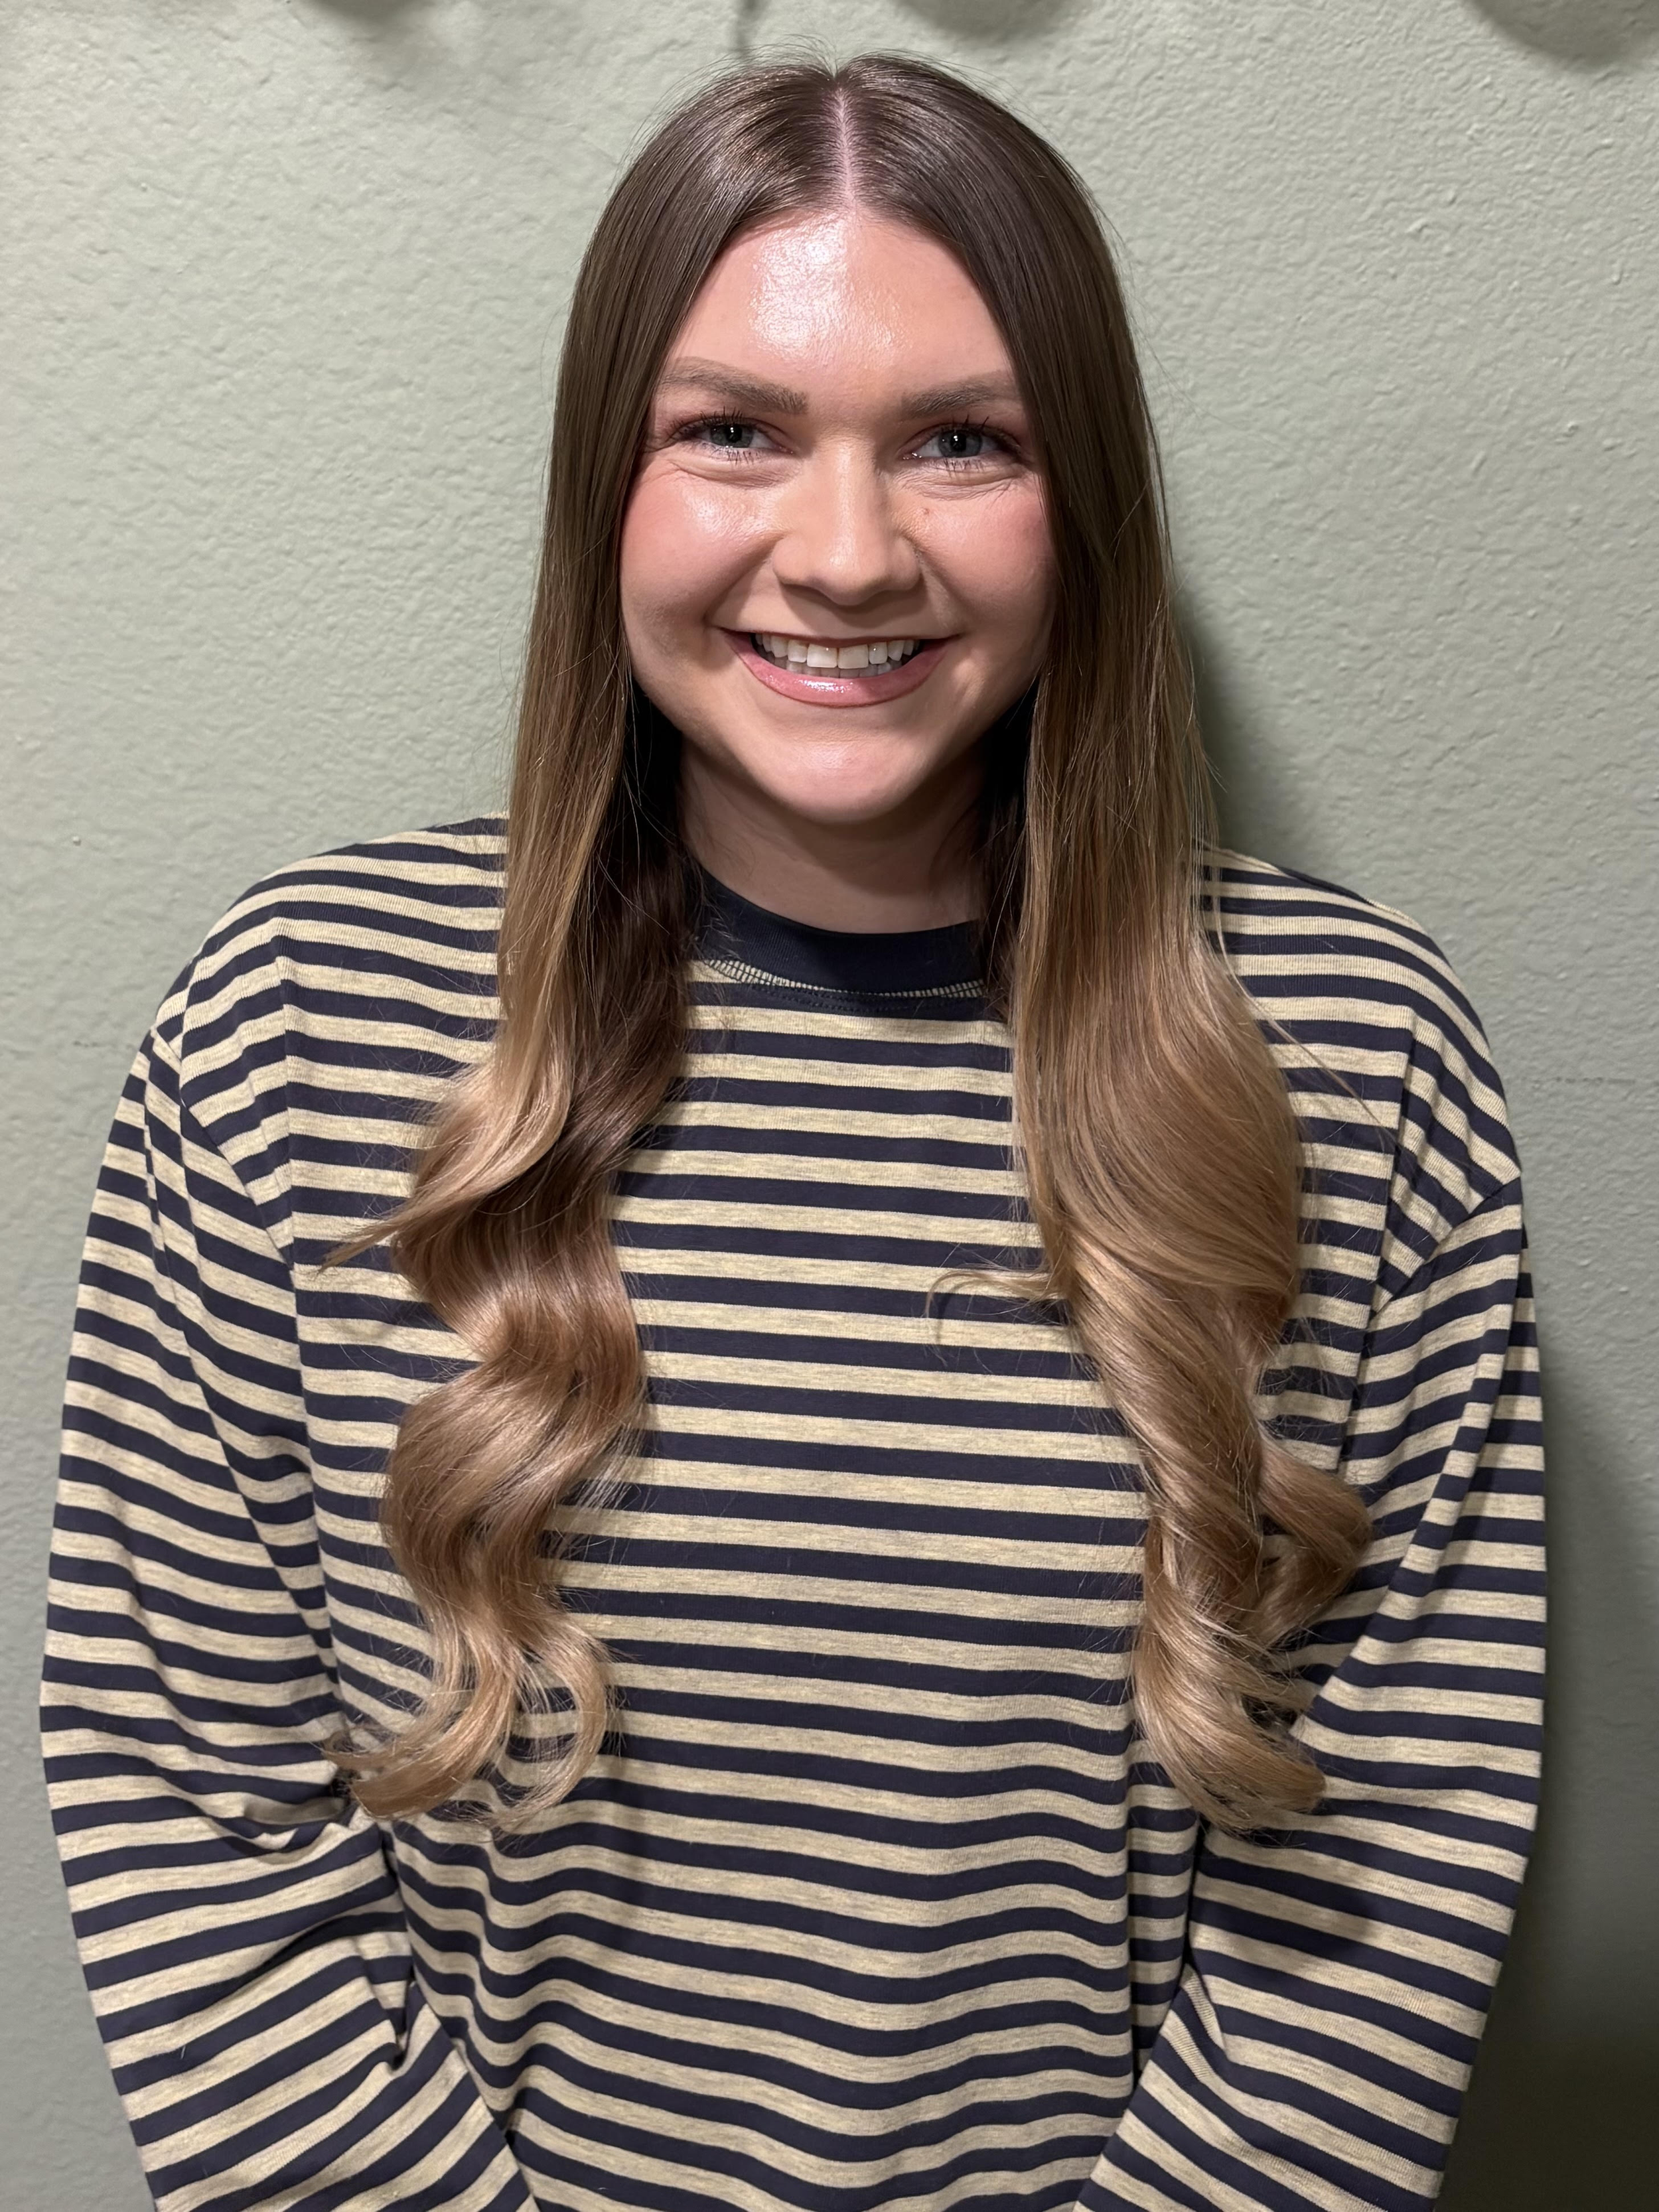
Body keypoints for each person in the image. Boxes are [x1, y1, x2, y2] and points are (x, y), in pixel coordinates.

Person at [42, 53, 1544, 2212]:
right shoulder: (295, 1028)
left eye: (962, 441)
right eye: (733, 429)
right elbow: (194, 1813)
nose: (844, 556)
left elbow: (1381, 1864)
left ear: (1079, 501)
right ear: (608, 489)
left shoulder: (1352, 1057)